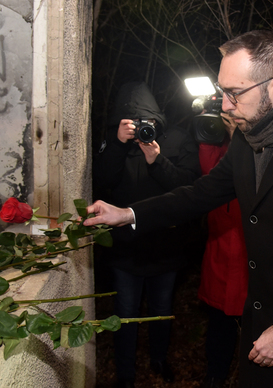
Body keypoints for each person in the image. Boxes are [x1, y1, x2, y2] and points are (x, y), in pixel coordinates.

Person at [85, 31, 273, 387]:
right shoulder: (248, 133)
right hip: (257, 322)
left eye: (234, 93)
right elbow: (201, 193)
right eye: (222, 91)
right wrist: (129, 214)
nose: (224, 105)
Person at [93, 81, 201, 388]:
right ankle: (125, 374)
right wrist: (115, 142)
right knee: (125, 313)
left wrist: (157, 160)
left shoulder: (177, 140)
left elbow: (190, 188)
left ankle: (159, 360)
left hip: (166, 248)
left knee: (161, 310)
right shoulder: (115, 143)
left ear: (158, 120)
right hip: (126, 250)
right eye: (137, 123)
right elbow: (101, 181)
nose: (143, 129)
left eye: (149, 123)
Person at [196, 113, 248, 388]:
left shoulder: (257, 140)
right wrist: (216, 133)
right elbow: (209, 173)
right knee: (219, 326)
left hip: (249, 253)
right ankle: (215, 376)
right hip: (221, 250)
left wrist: (239, 135)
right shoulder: (221, 147)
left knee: (252, 324)